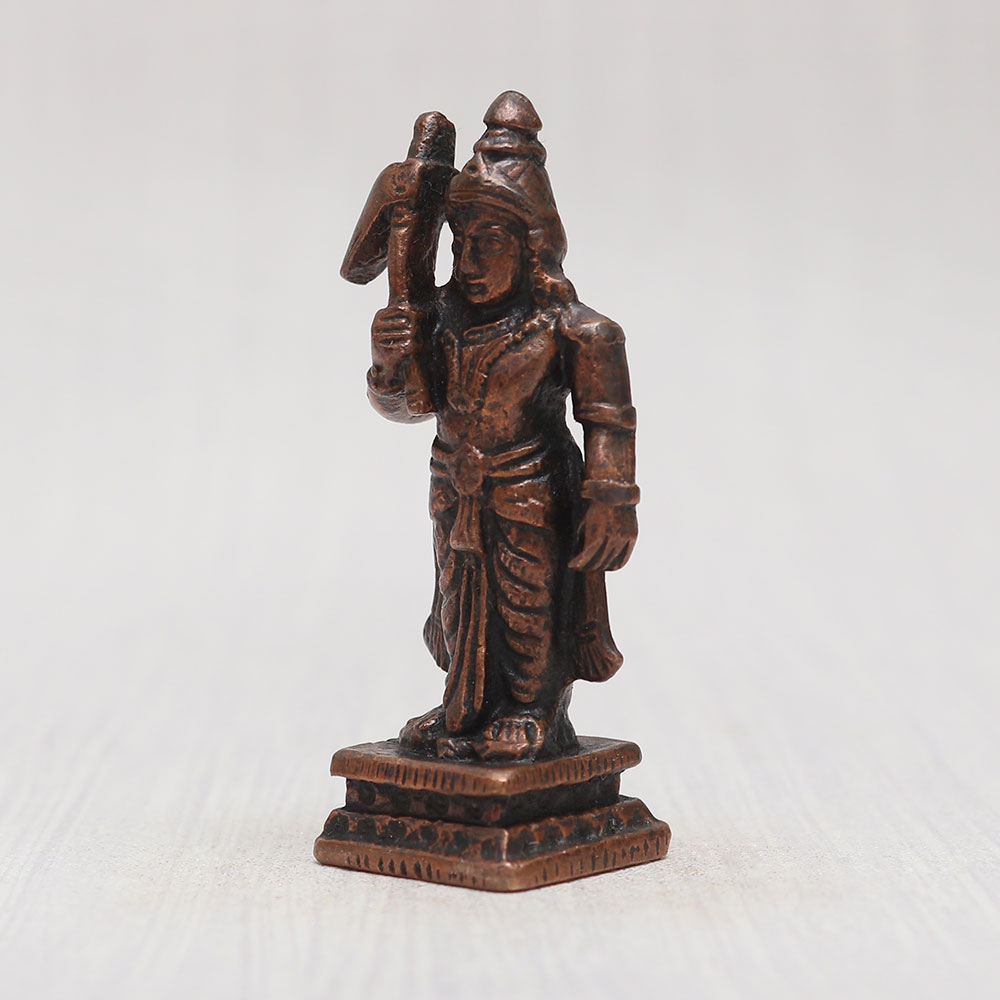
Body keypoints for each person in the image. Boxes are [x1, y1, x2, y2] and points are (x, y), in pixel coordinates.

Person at [366, 92, 639, 761]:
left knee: (528, 601)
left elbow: (608, 422)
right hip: (453, 484)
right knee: (458, 600)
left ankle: (531, 709)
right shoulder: (441, 318)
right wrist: (389, 363)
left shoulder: (574, 329)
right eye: (460, 243)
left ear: (532, 246)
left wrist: (612, 500)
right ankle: (463, 707)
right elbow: (409, 407)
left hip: (530, 487)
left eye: (490, 244)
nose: (469, 262)